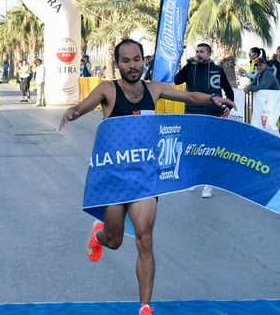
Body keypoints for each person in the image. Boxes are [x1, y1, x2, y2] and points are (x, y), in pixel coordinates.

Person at [59, 38, 235, 315]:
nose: (132, 65)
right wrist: (72, 112)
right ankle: (99, 234)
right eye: (126, 61)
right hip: (114, 178)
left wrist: (213, 99)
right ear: (117, 64)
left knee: (145, 239)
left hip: (145, 178)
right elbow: (82, 107)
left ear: (144, 60)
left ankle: (145, 307)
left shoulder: (153, 90)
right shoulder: (108, 89)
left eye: (137, 59)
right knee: (115, 241)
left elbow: (189, 96)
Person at [174, 43, 234, 199]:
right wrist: (188, 64)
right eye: (197, 51)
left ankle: (209, 184)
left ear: (209, 54)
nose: (198, 54)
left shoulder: (217, 70)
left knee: (209, 148)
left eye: (202, 52)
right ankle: (194, 179)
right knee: (193, 148)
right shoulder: (190, 68)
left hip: (211, 113)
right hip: (192, 113)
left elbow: (228, 91)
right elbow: (177, 80)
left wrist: (229, 106)